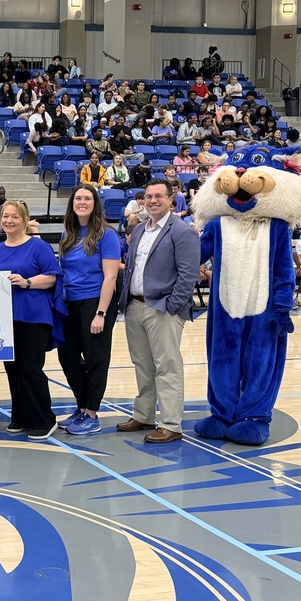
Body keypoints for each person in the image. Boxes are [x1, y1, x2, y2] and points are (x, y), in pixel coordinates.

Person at [117, 178, 201, 443]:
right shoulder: (140, 229)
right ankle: (143, 414)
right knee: (142, 364)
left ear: (171, 200)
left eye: (158, 196)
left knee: (167, 366)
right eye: (148, 197)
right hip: (135, 306)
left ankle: (171, 423)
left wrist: (173, 307)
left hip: (163, 308)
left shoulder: (182, 231)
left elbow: (189, 275)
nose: (152, 201)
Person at [0, 199, 66, 440]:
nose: (9, 221)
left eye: (15, 217)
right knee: (12, 368)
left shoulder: (37, 247)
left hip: (33, 315)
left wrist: (27, 282)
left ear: (24, 220)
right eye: (5, 217)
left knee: (30, 367)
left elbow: (53, 276)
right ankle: (19, 415)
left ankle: (44, 418)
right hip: (6, 318)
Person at [55, 186, 121, 436]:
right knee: (68, 356)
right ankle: (81, 407)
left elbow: (111, 276)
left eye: (87, 198)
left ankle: (92, 414)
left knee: (95, 358)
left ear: (95, 203)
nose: (82, 202)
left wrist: (101, 313)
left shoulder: (106, 234)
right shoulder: (68, 234)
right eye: (78, 198)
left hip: (95, 302)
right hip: (69, 303)